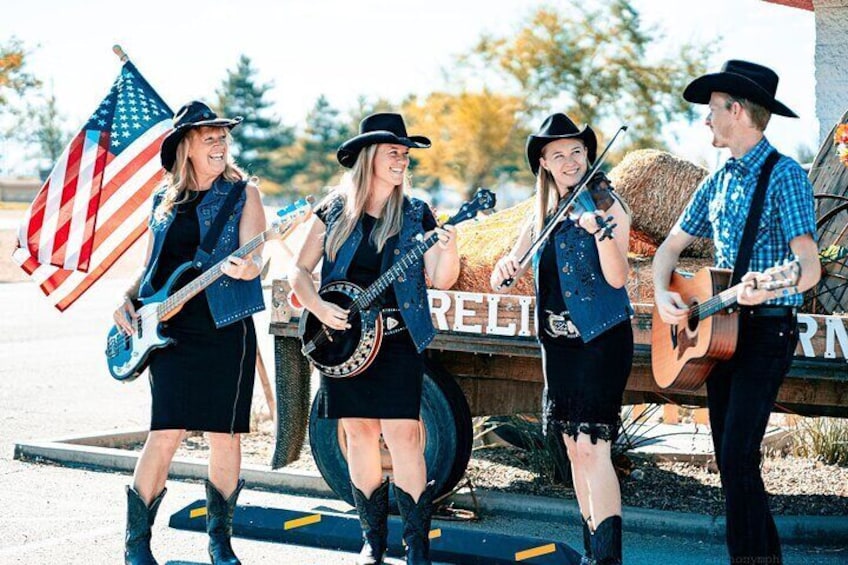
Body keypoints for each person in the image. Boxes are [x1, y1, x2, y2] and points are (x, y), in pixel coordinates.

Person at [652, 60, 821, 564]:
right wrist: (664, 295)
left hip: (767, 332)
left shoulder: (786, 175)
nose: (705, 120)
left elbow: (809, 267)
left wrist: (767, 286)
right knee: (732, 462)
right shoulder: (716, 181)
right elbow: (667, 252)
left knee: (736, 455)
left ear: (738, 111)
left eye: (712, 110)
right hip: (720, 334)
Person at [289, 112, 459, 565]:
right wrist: (318, 307)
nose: (403, 161)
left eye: (406, 155)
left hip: (399, 339)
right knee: (359, 434)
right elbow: (299, 272)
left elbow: (441, 280)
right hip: (342, 343)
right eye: (394, 153)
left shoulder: (417, 212)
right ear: (369, 158)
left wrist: (449, 245)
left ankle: (417, 547)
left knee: (404, 436)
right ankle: (373, 542)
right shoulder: (334, 211)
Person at [113, 100, 268, 565]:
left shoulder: (244, 194)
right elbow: (150, 269)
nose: (220, 143)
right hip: (168, 333)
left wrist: (248, 270)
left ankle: (219, 541)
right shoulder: (163, 200)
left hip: (225, 329)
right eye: (210, 137)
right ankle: (136, 544)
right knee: (165, 432)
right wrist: (126, 298)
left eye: (224, 136)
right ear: (186, 146)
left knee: (225, 436)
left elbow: (257, 256)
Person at [490, 113, 633, 565]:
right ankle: (592, 551)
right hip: (559, 347)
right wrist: (504, 270)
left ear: (588, 155)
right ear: (544, 164)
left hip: (600, 340)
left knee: (593, 445)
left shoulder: (608, 206)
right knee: (573, 448)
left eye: (577, 152)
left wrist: (601, 234)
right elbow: (506, 270)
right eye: (559, 155)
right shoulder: (543, 216)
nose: (570, 161)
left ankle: (609, 559)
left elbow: (618, 276)